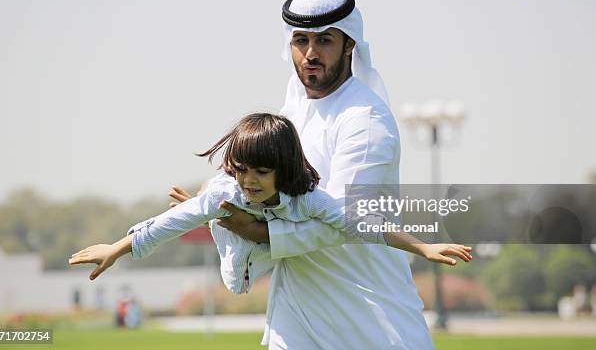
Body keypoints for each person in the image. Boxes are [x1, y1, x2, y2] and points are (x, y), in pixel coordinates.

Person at [170, 0, 447, 349]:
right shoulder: (291, 113)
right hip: (296, 322)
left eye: (325, 40)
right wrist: (216, 210)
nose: (311, 53)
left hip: (369, 326)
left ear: (350, 43)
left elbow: (342, 224)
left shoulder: (365, 121)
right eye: (301, 40)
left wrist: (256, 232)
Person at [68, 113, 471, 294]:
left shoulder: (310, 200)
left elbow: (365, 225)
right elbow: (165, 227)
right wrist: (116, 250)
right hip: (234, 248)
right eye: (241, 169)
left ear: (284, 169)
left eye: (260, 172)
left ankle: (218, 217)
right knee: (215, 216)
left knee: (323, 226)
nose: (248, 181)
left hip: (264, 250)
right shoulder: (230, 190)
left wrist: (422, 247)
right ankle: (212, 215)